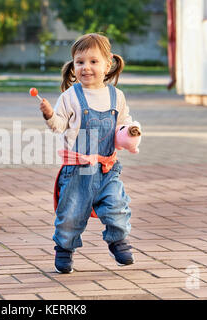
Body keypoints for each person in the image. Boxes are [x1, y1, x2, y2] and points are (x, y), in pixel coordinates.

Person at [39, 33, 141, 273]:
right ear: (73, 67)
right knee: (71, 215)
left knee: (117, 205)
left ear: (107, 65)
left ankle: (118, 241)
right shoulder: (70, 96)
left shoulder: (117, 96)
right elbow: (59, 126)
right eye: (80, 62)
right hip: (77, 173)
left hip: (107, 169)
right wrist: (49, 115)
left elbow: (122, 127)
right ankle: (64, 249)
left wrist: (131, 132)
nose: (86, 67)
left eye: (93, 61)